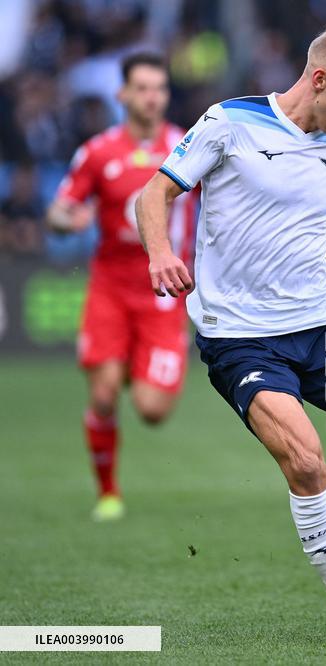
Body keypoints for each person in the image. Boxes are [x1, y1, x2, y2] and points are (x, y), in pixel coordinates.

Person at [135, 19, 326, 647]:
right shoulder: (229, 122)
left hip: (323, 325)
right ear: (319, 79)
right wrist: (160, 252)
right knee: (305, 461)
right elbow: (154, 195)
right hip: (240, 338)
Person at [47, 53, 196, 522]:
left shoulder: (187, 146)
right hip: (110, 288)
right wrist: (67, 221)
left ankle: (137, 361)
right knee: (105, 395)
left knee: (153, 410)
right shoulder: (98, 151)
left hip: (166, 292)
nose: (152, 97)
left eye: (160, 88)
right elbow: (57, 210)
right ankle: (108, 493)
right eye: (143, 87)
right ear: (123, 95)